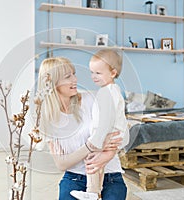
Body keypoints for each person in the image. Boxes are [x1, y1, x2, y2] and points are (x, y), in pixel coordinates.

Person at [37, 57, 127, 200]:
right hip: (74, 178)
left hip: (110, 175)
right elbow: (61, 163)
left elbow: (116, 135)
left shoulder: (93, 100)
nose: (75, 79)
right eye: (68, 76)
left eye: (74, 73)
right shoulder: (48, 118)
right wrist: (92, 145)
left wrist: (106, 152)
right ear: (53, 83)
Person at [70, 49, 129, 200]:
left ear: (113, 73)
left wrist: (96, 141)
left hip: (106, 135)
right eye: (92, 72)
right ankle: (94, 192)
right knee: (98, 164)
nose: (93, 77)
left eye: (98, 73)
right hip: (112, 134)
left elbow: (105, 121)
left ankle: (92, 192)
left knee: (92, 159)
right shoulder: (113, 90)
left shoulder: (106, 93)